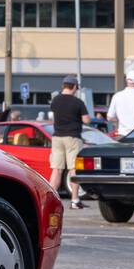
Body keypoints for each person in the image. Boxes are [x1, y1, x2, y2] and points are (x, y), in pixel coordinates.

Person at [49, 75, 91, 209]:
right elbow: (86, 120)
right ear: (74, 87)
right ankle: (74, 200)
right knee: (74, 169)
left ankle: (50, 200)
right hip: (73, 137)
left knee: (56, 169)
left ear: (63, 86)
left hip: (57, 137)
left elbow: (54, 118)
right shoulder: (77, 102)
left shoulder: (55, 100)